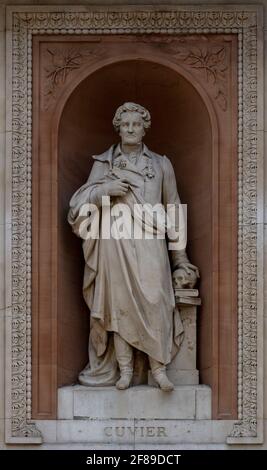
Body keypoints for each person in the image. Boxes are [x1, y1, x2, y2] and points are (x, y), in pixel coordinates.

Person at [68, 102, 199, 392]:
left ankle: (158, 368)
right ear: (118, 127)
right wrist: (105, 190)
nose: (130, 129)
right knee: (118, 305)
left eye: (136, 125)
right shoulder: (105, 164)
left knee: (157, 300)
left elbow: (174, 208)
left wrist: (180, 258)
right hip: (115, 242)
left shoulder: (161, 164)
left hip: (151, 241)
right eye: (125, 124)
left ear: (144, 128)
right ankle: (125, 371)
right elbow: (79, 206)